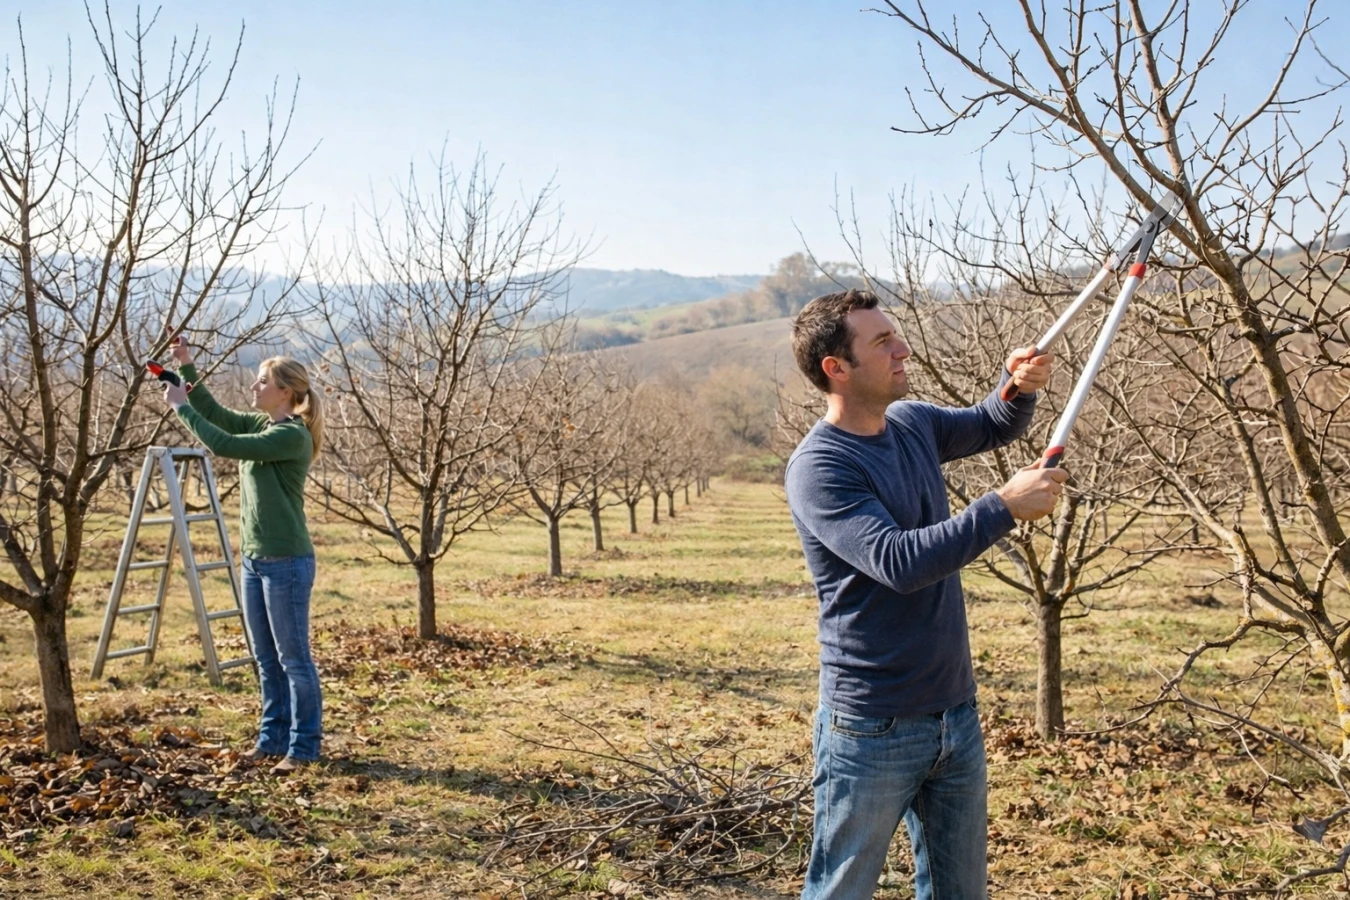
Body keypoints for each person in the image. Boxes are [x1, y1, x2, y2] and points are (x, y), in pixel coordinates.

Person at [784, 290, 1068, 899]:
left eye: (896, 334)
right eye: (883, 342)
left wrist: (1017, 387)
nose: (903, 349)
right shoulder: (820, 468)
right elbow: (898, 561)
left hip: (954, 711)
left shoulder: (912, 423)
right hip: (870, 725)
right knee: (840, 890)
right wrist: (1002, 507)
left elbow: (991, 421)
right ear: (837, 367)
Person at [160, 337, 325, 775]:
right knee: (267, 659)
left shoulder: (289, 436)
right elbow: (216, 415)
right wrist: (186, 367)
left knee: (294, 661)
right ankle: (271, 741)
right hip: (254, 560)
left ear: (285, 392)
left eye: (262, 381)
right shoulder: (262, 425)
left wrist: (179, 407)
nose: (254, 387)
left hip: (287, 562)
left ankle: (304, 747)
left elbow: (221, 443)